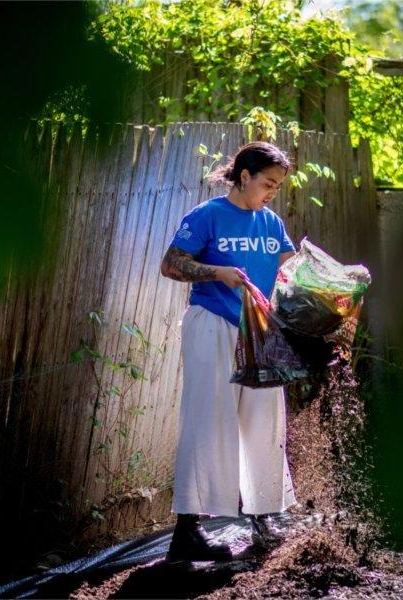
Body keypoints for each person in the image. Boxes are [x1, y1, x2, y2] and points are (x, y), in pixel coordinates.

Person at [160, 141, 297, 561]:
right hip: (213, 326)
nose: (273, 192)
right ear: (244, 177)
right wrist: (216, 272)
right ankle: (188, 532)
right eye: (268, 183)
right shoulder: (207, 216)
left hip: (259, 333)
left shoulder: (270, 222)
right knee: (209, 422)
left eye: (277, 186)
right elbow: (171, 263)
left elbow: (291, 267)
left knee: (265, 422)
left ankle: (264, 518)